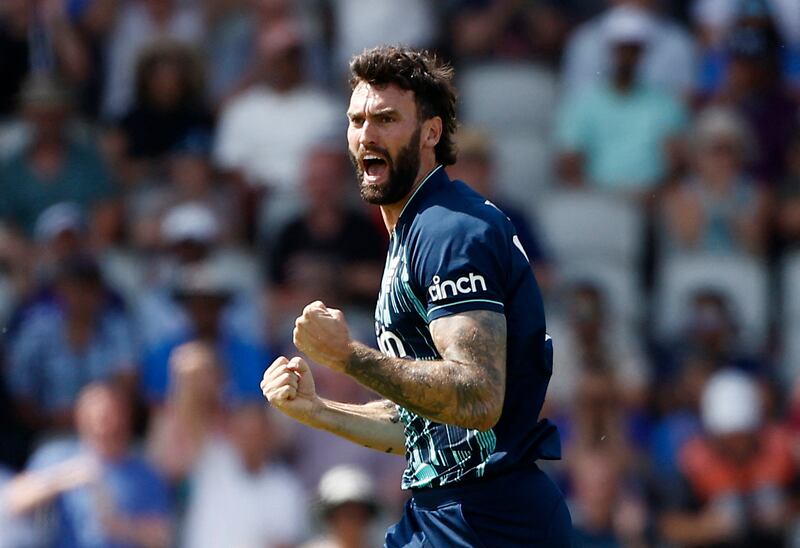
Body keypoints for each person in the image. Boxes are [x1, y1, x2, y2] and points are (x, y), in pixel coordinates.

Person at [261, 45, 571, 546]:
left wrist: (347, 357)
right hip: (453, 513)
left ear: (431, 133)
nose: (366, 134)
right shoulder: (418, 229)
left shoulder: (447, 232)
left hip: (487, 520)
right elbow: (430, 426)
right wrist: (318, 411)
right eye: (357, 119)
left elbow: (476, 396)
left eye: (386, 119)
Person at [4, 383, 172, 547]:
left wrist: (120, 525)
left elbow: (163, 538)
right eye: (95, 416)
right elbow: (13, 500)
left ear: (126, 417)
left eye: (110, 415)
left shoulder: (146, 472)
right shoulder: (56, 455)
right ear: (80, 417)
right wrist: (63, 479)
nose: (103, 424)